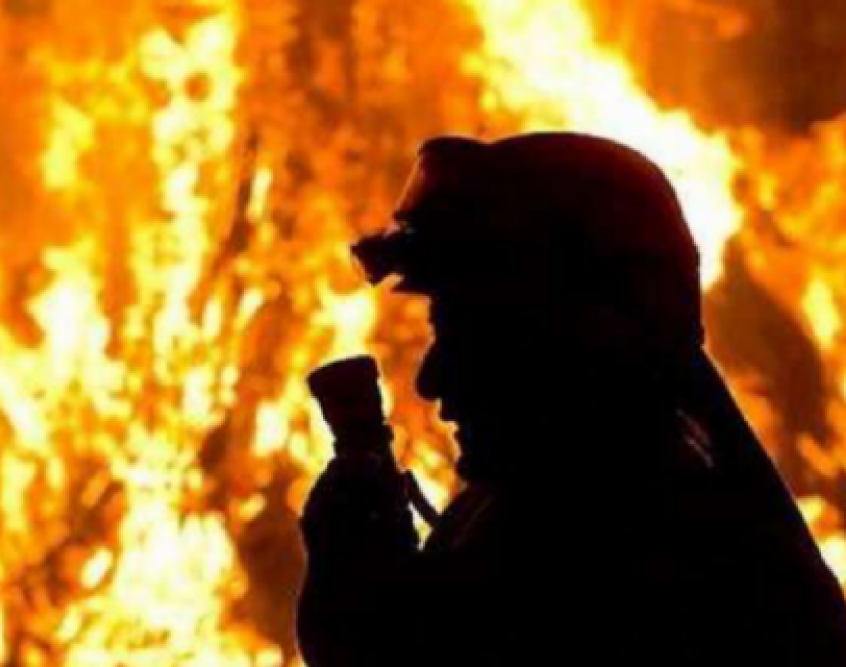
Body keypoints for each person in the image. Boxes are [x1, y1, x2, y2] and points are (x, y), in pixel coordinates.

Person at [296, 133, 846, 666]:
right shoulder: (544, 509)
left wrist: (365, 610)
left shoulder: (634, 555)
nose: (432, 379)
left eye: (478, 336)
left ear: (584, 340)